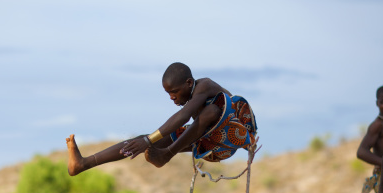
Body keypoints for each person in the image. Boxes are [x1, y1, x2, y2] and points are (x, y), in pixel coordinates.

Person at [66, 62, 257, 175]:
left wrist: (249, 144)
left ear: (189, 83)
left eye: (174, 92)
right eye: (168, 94)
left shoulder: (204, 86)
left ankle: (167, 154)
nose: (172, 97)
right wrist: (147, 140)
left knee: (211, 112)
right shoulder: (194, 100)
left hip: (229, 139)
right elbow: (185, 121)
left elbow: (183, 116)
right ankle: (84, 163)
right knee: (143, 140)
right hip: (207, 143)